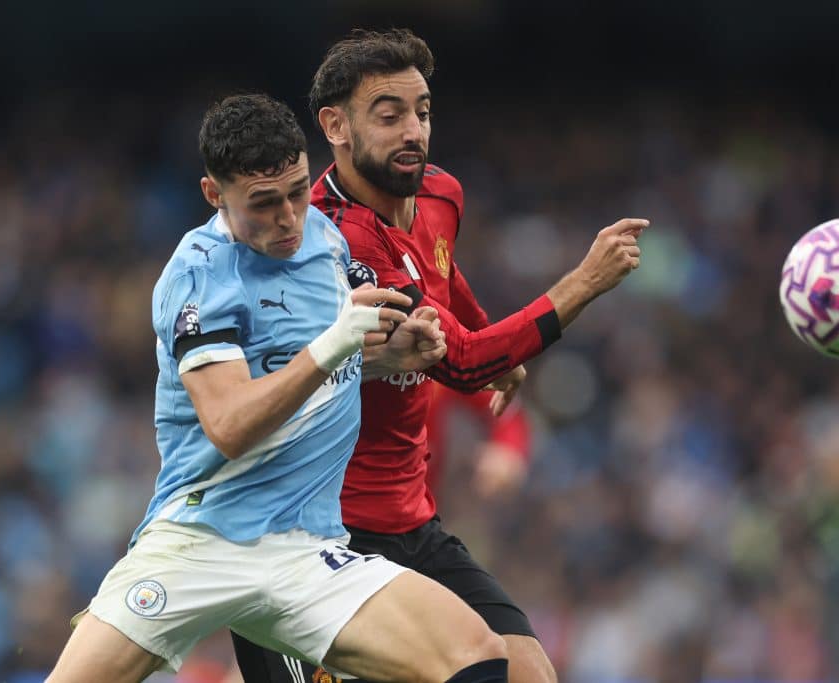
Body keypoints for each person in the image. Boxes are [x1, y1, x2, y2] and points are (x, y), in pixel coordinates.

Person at [46, 93, 516, 683]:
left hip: (305, 550)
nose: (290, 218)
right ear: (215, 195)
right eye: (264, 204)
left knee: (477, 655)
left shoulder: (326, 241)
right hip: (202, 542)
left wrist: (391, 355)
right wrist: (334, 344)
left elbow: (322, 370)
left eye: (297, 191)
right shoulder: (199, 277)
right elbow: (231, 426)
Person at [231, 29, 648, 683]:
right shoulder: (329, 243)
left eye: (422, 112)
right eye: (389, 115)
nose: (413, 131)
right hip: (306, 539)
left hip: (410, 522)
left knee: (528, 672)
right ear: (335, 126)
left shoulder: (440, 196)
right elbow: (459, 363)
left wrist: (495, 341)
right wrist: (583, 283)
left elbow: (445, 284)